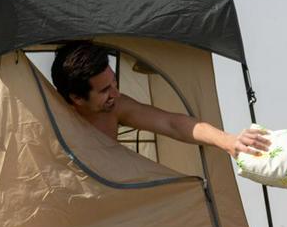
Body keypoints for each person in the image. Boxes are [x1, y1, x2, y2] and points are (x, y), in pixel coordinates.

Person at [50, 42, 269, 158]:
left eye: (115, 83)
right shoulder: (50, 118)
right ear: (77, 98)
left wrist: (228, 141)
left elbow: (173, 124)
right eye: (105, 90)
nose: (116, 94)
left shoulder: (116, 107)